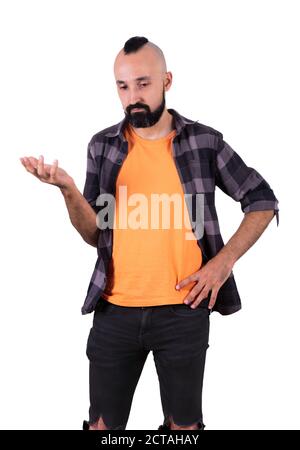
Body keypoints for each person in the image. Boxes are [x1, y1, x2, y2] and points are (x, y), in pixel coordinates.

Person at [20, 36, 279, 431]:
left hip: (184, 312)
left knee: (184, 430)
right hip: (113, 312)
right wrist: (68, 190)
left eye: (143, 83)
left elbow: (261, 199)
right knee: (103, 429)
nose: (132, 96)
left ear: (167, 81)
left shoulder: (203, 141)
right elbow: (94, 232)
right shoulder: (103, 146)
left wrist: (221, 263)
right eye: (123, 87)